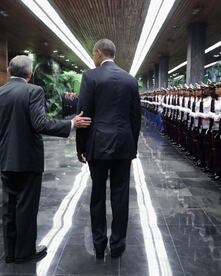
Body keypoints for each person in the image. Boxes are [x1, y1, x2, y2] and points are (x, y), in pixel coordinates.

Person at [0, 55, 91, 264]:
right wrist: (70, 124)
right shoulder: (33, 91)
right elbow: (40, 123)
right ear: (29, 75)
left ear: (9, 72)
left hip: (7, 157)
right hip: (28, 158)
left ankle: (10, 251)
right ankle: (25, 252)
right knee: (26, 207)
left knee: (9, 207)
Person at [76, 39, 141, 259]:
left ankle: (99, 245)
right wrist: (132, 146)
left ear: (98, 53)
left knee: (97, 194)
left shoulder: (90, 76)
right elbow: (135, 117)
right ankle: (118, 246)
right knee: (120, 194)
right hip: (124, 144)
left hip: (98, 143)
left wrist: (81, 147)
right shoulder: (130, 80)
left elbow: (84, 114)